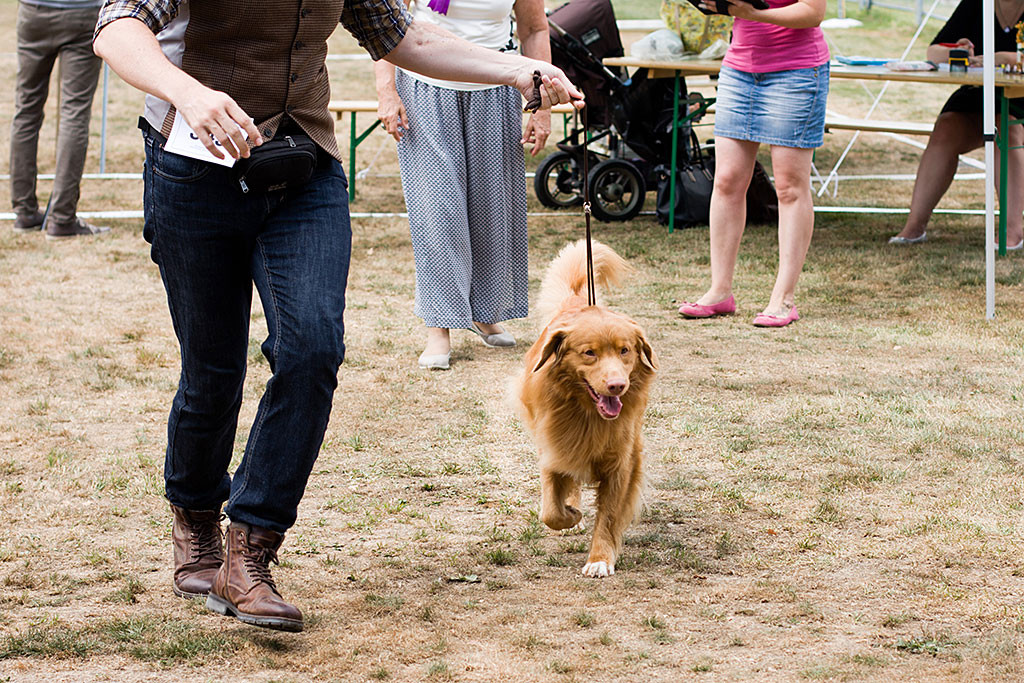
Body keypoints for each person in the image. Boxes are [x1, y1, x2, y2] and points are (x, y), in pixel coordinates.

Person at [92, 0, 582, 633]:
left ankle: (250, 549)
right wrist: (188, 92)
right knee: (212, 372)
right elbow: (116, 30)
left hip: (303, 168)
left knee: (313, 349)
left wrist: (513, 69)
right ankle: (194, 515)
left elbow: (404, 37)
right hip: (193, 172)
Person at [374, 0, 551, 370]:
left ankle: (486, 310)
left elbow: (534, 30)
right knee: (438, 211)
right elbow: (386, 25)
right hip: (425, 87)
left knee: (492, 208)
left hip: (496, 86)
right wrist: (386, 91)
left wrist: (542, 107)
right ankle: (440, 325)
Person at [677, 0, 828, 327]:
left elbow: (813, 12)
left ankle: (783, 299)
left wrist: (751, 13)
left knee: (789, 187)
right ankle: (720, 292)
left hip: (797, 71)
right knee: (727, 180)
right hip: (739, 69)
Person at [888, 0, 1024, 249]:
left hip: (1019, 99)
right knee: (946, 127)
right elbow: (933, 52)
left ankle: (1012, 230)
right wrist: (959, 52)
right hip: (979, 94)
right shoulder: (977, 4)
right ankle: (914, 226)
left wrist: (1003, 58)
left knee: (1005, 127)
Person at [11, 0, 109, 240]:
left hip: (34, 12)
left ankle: (24, 212)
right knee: (74, 113)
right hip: (83, 13)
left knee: (26, 111)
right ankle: (62, 218)